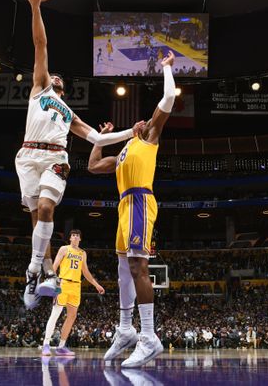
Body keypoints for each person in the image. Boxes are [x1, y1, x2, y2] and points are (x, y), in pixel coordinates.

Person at [19, 0, 142, 309]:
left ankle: (33, 270)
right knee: (36, 217)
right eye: (52, 75)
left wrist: (132, 131)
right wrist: (35, 7)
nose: (54, 76)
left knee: (46, 208)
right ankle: (44, 272)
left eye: (59, 78)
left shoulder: (69, 113)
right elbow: (40, 44)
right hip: (27, 155)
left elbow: (99, 139)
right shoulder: (40, 89)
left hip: (56, 158)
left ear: (65, 89)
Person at [88, 50, 177, 367]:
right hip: (123, 206)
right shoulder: (123, 150)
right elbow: (93, 165)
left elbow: (168, 99)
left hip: (140, 200)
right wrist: (100, 138)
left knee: (139, 268)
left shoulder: (150, 137)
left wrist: (167, 68)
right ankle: (126, 330)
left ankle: (149, 336)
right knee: (123, 269)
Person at [42, 229, 105, 356]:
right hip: (63, 283)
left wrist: (96, 285)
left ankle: (61, 346)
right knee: (56, 313)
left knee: (72, 316)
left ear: (80, 239)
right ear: (70, 238)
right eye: (73, 235)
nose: (75, 237)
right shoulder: (64, 249)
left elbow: (85, 272)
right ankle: (46, 345)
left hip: (76, 286)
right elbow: (55, 265)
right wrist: (51, 280)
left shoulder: (83, 253)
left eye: (77, 236)